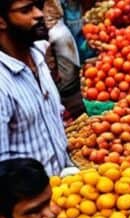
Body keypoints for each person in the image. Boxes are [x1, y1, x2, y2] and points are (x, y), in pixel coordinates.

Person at [0, 0, 72, 175]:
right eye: (26, 10)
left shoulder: (38, 57)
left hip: (64, 189)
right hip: (34, 198)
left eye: (38, 6)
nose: (39, 14)